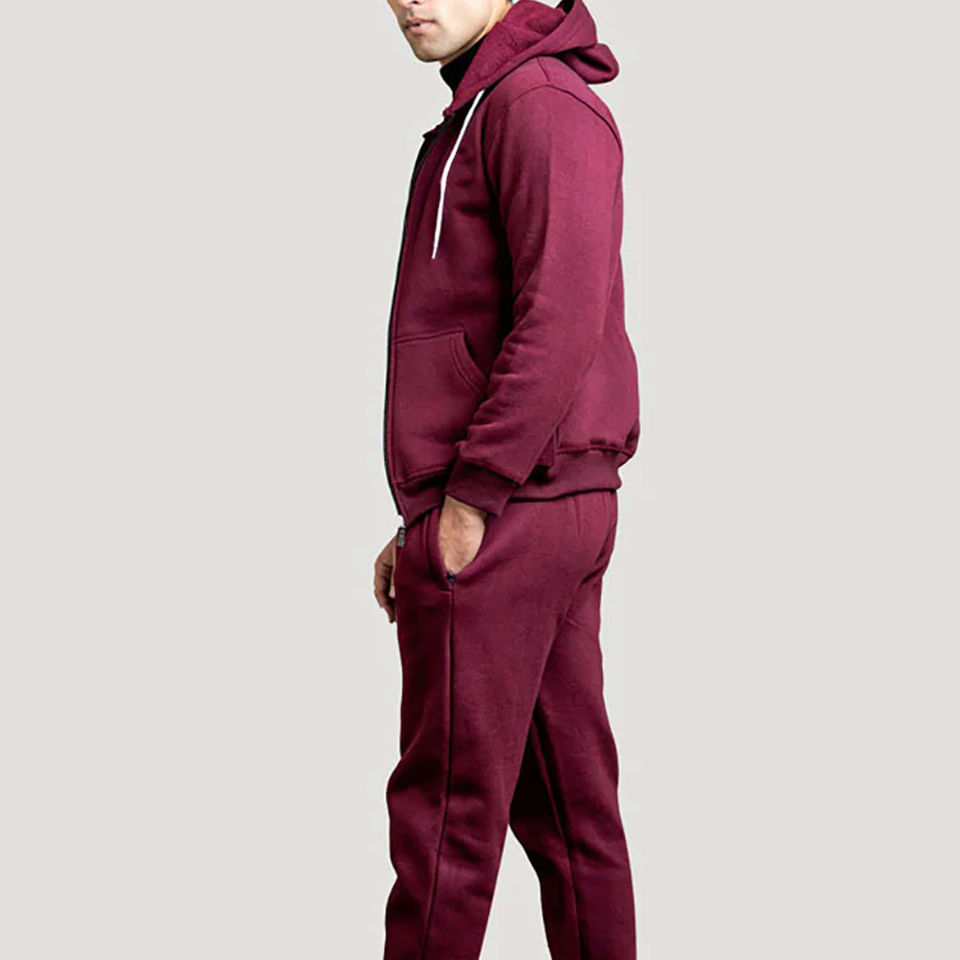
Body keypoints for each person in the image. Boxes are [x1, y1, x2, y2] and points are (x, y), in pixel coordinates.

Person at [373, 1, 641, 957]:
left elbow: (559, 320)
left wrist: (468, 497)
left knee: (444, 826)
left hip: (512, 507)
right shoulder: (497, 103)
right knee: (571, 821)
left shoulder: (534, 102)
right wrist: (424, 506)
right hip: (538, 497)